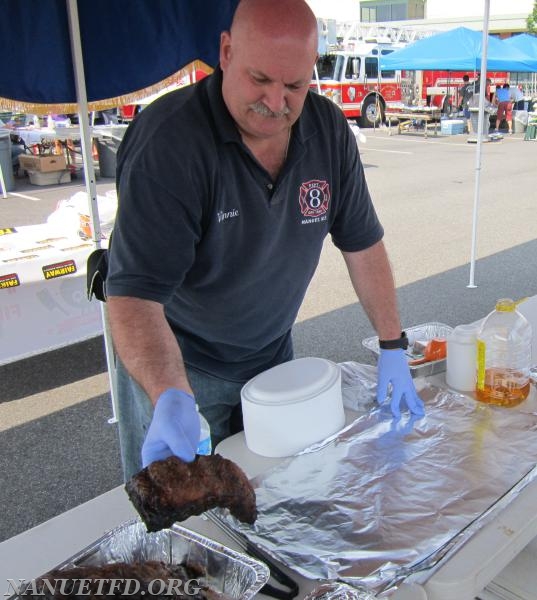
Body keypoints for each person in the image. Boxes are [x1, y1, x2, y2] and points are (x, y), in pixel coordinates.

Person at [106, 0, 425, 480]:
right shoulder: (170, 143)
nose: (276, 103)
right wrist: (170, 393)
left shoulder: (328, 132)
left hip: (272, 355)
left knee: (277, 488)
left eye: (295, 85)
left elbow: (362, 245)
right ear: (227, 52)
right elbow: (134, 295)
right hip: (180, 360)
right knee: (181, 506)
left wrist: (393, 345)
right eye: (260, 80)